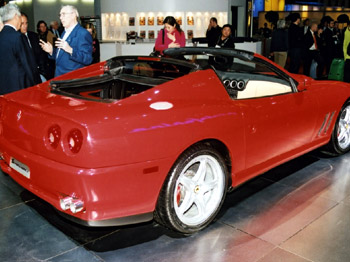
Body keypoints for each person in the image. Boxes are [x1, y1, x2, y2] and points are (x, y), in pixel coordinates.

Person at [40, 5, 93, 77]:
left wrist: (70, 50)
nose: (61, 17)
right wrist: (51, 51)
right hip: (60, 78)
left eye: (63, 14)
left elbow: (88, 59)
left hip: (72, 80)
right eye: (60, 15)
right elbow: (62, 55)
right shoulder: (64, 32)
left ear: (73, 15)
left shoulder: (83, 33)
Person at [0, 4, 36, 95]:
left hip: (3, 88)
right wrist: (34, 84)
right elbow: (27, 64)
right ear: (16, 16)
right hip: (19, 87)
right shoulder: (18, 37)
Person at [20, 12, 42, 84]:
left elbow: (40, 53)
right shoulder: (17, 39)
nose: (25, 26)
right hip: (25, 76)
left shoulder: (34, 35)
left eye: (26, 23)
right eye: (22, 23)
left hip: (37, 72)